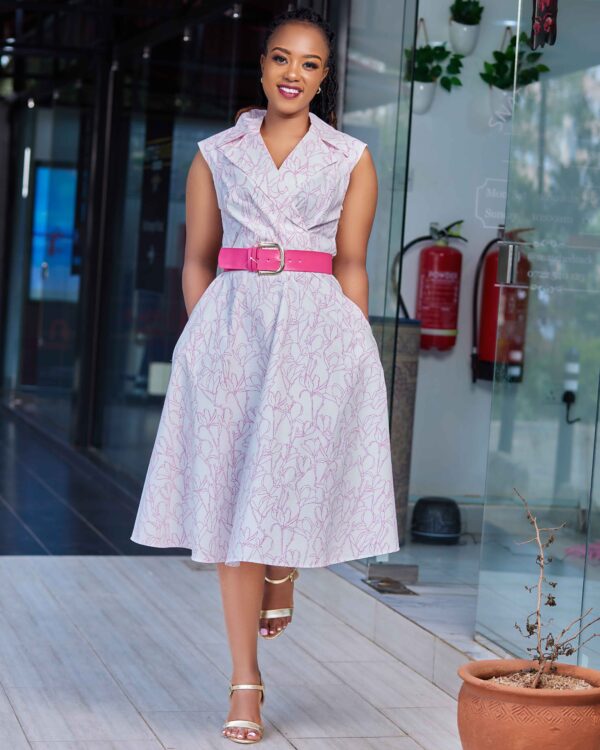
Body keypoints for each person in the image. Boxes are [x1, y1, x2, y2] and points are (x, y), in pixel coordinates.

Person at [130, 7, 400, 744]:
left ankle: (285, 567)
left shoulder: (351, 157)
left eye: (309, 64)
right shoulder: (217, 153)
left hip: (318, 335)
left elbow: (350, 265)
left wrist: (354, 357)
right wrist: (201, 339)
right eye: (281, 59)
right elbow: (196, 257)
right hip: (233, 334)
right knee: (230, 505)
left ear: (324, 77)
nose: (292, 74)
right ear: (261, 68)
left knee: (290, 478)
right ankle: (245, 680)